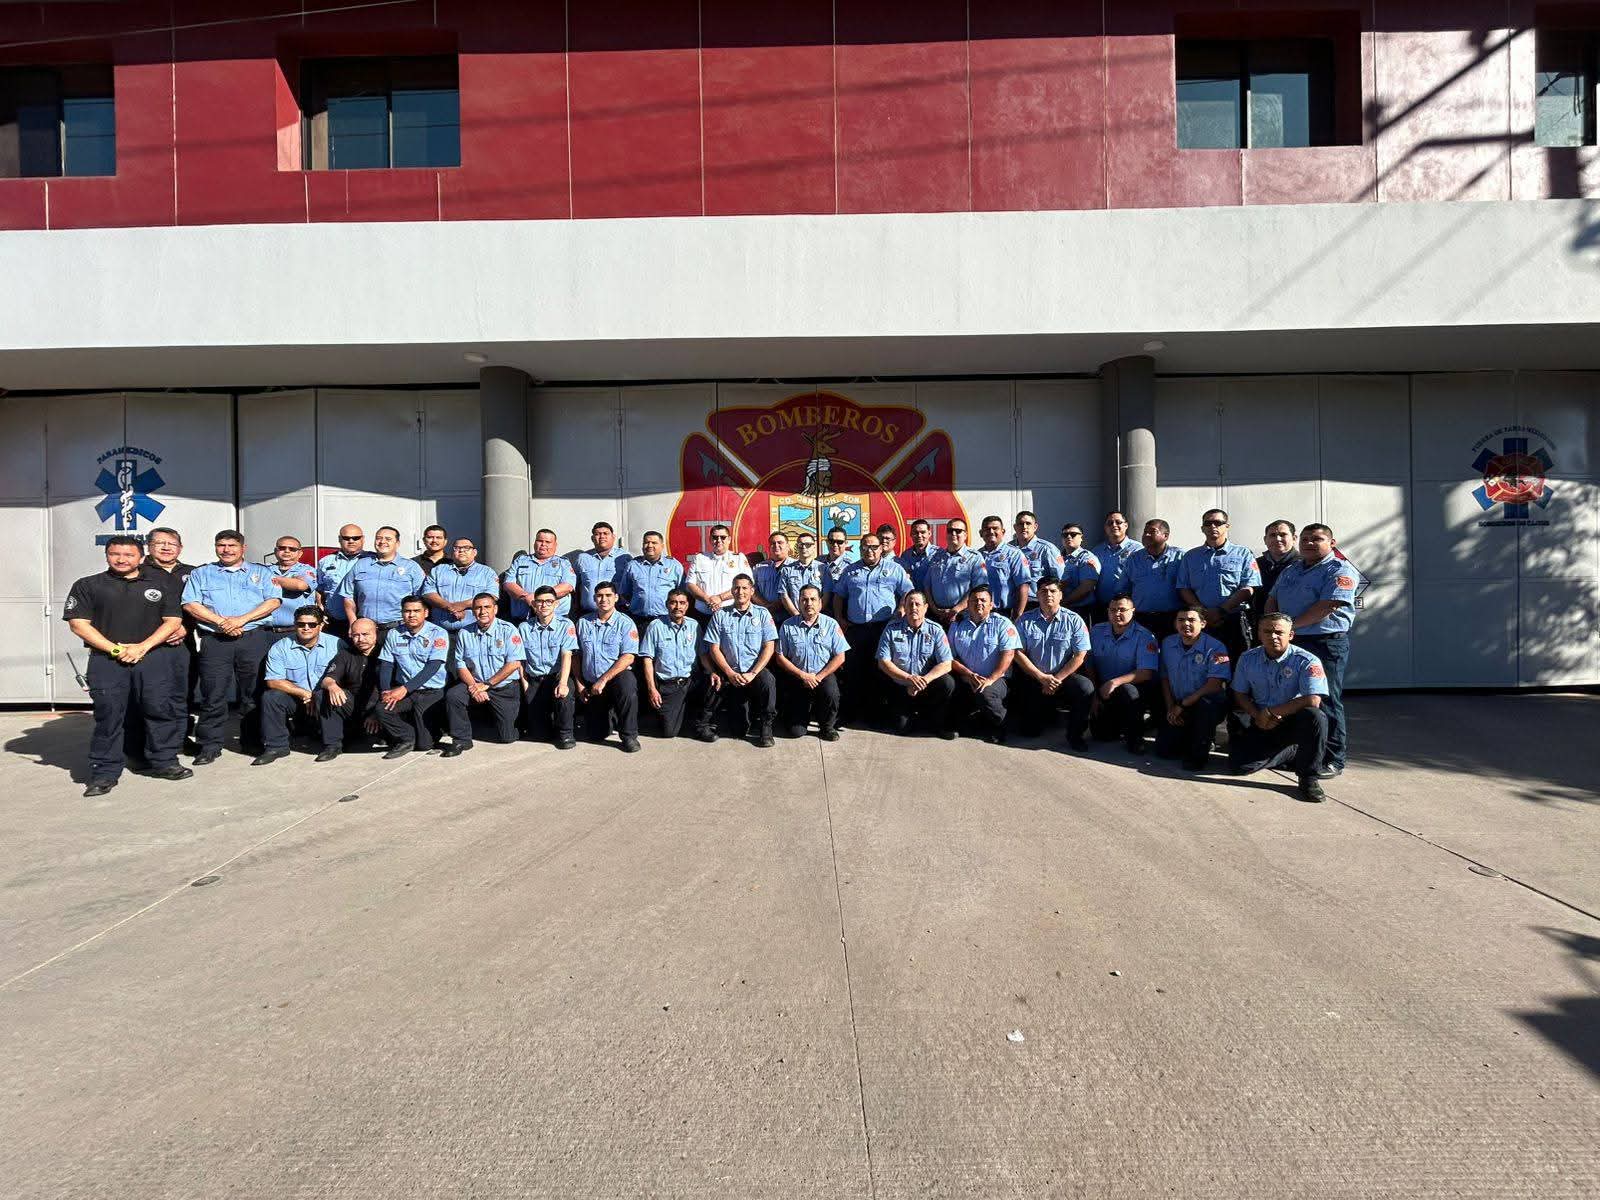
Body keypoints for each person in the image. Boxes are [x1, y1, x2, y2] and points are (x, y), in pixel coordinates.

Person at [63, 536, 192, 796]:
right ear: (107, 555)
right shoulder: (88, 585)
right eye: (115, 554)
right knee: (110, 715)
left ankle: (165, 761)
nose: (121, 560)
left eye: (128, 555)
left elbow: (172, 621)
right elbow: (78, 623)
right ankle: (104, 772)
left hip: (154, 656)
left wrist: (142, 647)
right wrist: (115, 649)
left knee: (159, 709)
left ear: (141, 556)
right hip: (107, 659)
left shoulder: (162, 582)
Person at [1265, 523, 1360, 779]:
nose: (1308, 543)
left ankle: (1333, 759)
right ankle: (1300, 754)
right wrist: (1273, 625)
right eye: (1305, 539)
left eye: (1316, 539)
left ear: (1332, 542)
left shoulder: (1340, 570)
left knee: (1325, 700)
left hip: (1324, 643)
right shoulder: (1292, 569)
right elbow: (1272, 598)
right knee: (1293, 698)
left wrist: (1288, 627)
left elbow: (1327, 606)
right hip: (1293, 643)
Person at [182, 529, 282, 763]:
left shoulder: (262, 572)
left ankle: (252, 741)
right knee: (213, 693)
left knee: (253, 693)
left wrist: (240, 621)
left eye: (232, 545)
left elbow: (273, 601)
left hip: (253, 638)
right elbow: (190, 603)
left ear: (243, 548)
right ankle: (209, 745)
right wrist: (221, 622)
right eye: (221, 545)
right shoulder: (201, 574)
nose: (226, 550)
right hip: (215, 641)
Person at [1229, 613, 1330, 803]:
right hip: (1261, 720)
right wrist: (1257, 715)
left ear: (1290, 635)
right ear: (1259, 634)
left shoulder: (1307, 661)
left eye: (1278, 632)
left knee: (1315, 716)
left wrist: (1272, 712)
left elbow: (1313, 699)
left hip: (1292, 719)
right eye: (1267, 631)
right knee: (1239, 767)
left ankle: (1309, 778)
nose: (1273, 636)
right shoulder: (1248, 658)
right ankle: (1291, 752)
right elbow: (1239, 693)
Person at [124, 526, 195, 764]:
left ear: (180, 548)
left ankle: (179, 740)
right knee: (146, 697)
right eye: (159, 543)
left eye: (171, 544)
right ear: (149, 547)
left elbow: (203, 604)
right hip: (148, 646)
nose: (166, 548)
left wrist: (184, 626)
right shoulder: (137, 572)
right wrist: (163, 632)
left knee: (180, 694)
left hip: (182, 644)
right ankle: (139, 746)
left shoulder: (193, 573)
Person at [832, 532, 912, 721]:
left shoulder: (895, 569)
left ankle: (877, 714)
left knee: (880, 672)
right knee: (854, 671)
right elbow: (838, 595)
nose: (870, 550)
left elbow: (908, 591)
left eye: (874, 547)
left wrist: (901, 608)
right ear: (860, 550)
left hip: (883, 629)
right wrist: (839, 618)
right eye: (865, 547)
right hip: (856, 629)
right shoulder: (850, 571)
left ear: (882, 548)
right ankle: (852, 713)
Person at [698, 574, 779, 746]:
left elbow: (769, 647)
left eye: (744, 588)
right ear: (732, 591)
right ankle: (708, 720)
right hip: (731, 673)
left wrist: (753, 673)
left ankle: (766, 726)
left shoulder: (763, 614)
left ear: (752, 591)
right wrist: (729, 672)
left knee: (768, 680)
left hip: (754, 672)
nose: (740, 591)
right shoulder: (720, 615)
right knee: (738, 730)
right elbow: (713, 648)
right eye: (736, 587)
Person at [1012, 578, 1094, 747]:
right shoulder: (1024, 620)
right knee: (1030, 732)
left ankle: (1075, 735)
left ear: (1061, 595)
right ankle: (1044, 716)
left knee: (1085, 687)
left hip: (1063, 678)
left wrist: (1056, 679)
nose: (1048, 594)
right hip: (1034, 677)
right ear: (1037, 595)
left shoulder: (1074, 620)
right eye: (1043, 591)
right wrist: (1041, 677)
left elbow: (1080, 655)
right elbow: (1017, 652)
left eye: (1052, 591)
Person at [255, 605, 341, 765]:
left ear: (321, 625)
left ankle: (332, 745)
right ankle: (276, 746)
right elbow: (273, 681)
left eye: (312, 624)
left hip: (325, 700)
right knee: (271, 697)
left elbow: (346, 676)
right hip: (299, 700)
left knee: (326, 693)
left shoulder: (337, 645)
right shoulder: (280, 647)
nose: (306, 628)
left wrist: (317, 694)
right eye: (301, 624)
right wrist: (305, 694)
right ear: (295, 625)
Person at [443, 593, 525, 755]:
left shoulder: (508, 630)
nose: (482, 611)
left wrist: (487, 685)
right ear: (472, 611)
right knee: (454, 695)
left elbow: (514, 663)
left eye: (487, 607)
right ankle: (461, 740)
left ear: (495, 609)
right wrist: (474, 686)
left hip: (502, 688)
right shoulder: (465, 633)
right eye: (478, 608)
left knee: (507, 737)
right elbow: (460, 665)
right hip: (475, 683)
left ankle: (514, 723)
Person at [1175, 509, 1260, 660]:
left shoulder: (1243, 553)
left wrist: (1221, 611)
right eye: (1208, 523)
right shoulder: (1191, 556)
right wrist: (1203, 612)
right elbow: (1184, 587)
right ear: (1202, 528)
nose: (1213, 526)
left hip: (1233, 619)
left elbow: (1249, 587)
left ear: (1227, 526)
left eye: (1218, 523)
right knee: (1203, 662)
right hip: (1202, 621)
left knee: (1238, 662)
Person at [1155, 607, 1233, 770]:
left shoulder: (1217, 647)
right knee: (1164, 751)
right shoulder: (1167, 643)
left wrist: (1182, 705)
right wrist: (1170, 708)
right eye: (1181, 620)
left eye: (1191, 620)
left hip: (1204, 704)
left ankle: (1199, 755)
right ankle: (1190, 737)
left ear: (1203, 624)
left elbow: (1215, 684)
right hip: (1178, 704)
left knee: (1207, 705)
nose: (1186, 624)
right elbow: (1165, 677)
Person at [375, 596, 449, 758]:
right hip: (407, 692)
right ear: (402, 613)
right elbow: (387, 664)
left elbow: (433, 666)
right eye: (407, 611)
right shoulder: (394, 634)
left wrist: (403, 689)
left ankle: (424, 736)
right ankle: (406, 739)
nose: (412, 615)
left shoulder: (438, 633)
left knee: (424, 745)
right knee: (383, 708)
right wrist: (386, 691)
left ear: (426, 613)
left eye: (416, 611)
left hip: (432, 692)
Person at [946, 584, 1021, 743]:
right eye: (974, 600)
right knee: (949, 689)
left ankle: (1001, 725)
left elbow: (1008, 655)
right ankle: (976, 721)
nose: (978, 603)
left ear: (991, 605)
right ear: (967, 604)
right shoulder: (956, 624)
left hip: (997, 679)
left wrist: (990, 680)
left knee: (985, 693)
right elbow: (950, 657)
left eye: (983, 600)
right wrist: (968, 674)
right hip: (966, 677)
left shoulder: (1003, 624)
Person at [875, 591, 956, 735]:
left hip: (926, 687)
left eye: (917, 604)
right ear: (904, 608)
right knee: (902, 728)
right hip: (901, 688)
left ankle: (934, 720)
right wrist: (908, 678)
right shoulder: (891, 629)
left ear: (925, 608)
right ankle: (909, 716)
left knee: (947, 682)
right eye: (910, 604)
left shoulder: (935, 630)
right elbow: (883, 662)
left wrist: (924, 681)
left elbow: (946, 663)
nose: (913, 607)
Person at [773, 584, 848, 740]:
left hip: (823, 674)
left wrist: (818, 677)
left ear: (820, 603)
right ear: (799, 603)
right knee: (796, 732)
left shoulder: (831, 624)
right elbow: (780, 657)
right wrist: (802, 675)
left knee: (831, 692)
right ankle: (799, 715)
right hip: (797, 676)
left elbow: (840, 656)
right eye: (804, 600)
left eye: (813, 599)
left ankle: (827, 726)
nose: (809, 603)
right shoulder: (788, 625)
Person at [1086, 595, 1159, 753]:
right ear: (1108, 611)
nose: (1117, 613)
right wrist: (1094, 696)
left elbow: (1146, 673)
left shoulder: (1145, 636)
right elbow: (1088, 664)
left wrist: (1115, 682)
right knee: (1102, 735)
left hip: (1131, 689)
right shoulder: (1096, 632)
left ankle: (1135, 738)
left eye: (1122, 609)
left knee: (1129, 691)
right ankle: (1119, 724)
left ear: (1133, 611)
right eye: (1113, 610)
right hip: (1104, 690)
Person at [575, 581, 641, 751]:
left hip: (615, 680)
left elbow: (628, 657)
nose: (603, 599)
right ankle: (609, 717)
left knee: (627, 686)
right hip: (592, 684)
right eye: (599, 596)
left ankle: (629, 735)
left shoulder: (626, 623)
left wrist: (604, 679)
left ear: (616, 598)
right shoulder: (583, 623)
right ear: (594, 599)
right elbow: (576, 655)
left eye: (608, 595)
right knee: (595, 735)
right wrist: (580, 683)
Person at [517, 585, 577, 749]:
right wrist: (525, 683)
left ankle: (566, 734)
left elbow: (567, 655)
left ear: (556, 604)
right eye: (540, 602)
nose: (544, 605)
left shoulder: (566, 625)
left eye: (549, 601)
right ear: (534, 604)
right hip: (535, 679)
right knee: (539, 735)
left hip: (557, 676)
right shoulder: (524, 628)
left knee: (564, 696)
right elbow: (520, 660)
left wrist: (563, 682)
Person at [338, 526, 427, 634]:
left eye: (388, 539)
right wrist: (353, 622)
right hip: (365, 630)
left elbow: (422, 599)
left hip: (400, 629)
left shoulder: (411, 567)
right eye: (379, 538)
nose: (382, 542)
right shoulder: (360, 565)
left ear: (397, 543)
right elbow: (348, 596)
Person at [316, 617, 383, 759]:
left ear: (375, 633)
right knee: (322, 694)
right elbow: (327, 679)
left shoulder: (386, 653)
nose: (360, 639)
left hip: (380, 708)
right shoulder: (345, 654)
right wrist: (332, 685)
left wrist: (377, 713)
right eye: (356, 635)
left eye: (365, 634)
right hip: (354, 707)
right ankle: (332, 746)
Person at [639, 586, 701, 739]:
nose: (678, 607)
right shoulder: (655, 626)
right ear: (667, 604)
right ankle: (671, 713)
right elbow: (647, 659)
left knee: (714, 682)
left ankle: (702, 723)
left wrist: (712, 672)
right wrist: (652, 689)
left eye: (682, 603)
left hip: (691, 681)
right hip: (668, 685)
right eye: (673, 602)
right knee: (669, 733)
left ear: (687, 605)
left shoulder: (694, 625)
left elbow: (703, 654)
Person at [421, 537, 499, 636]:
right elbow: (427, 593)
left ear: (474, 552)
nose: (461, 550)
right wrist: (450, 607)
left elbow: (492, 596)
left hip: (473, 633)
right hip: (441, 632)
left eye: (466, 548)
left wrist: (462, 605)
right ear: (452, 552)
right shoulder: (438, 570)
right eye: (457, 548)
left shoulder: (487, 572)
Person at [1121, 518, 1184, 638]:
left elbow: (1187, 587)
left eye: (1152, 531)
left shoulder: (1180, 557)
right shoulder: (1134, 559)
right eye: (1145, 532)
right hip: (1142, 618)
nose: (1146, 535)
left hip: (1172, 618)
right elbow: (1123, 589)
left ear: (1165, 536)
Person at [617, 530, 684, 633]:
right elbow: (624, 593)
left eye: (654, 543)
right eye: (646, 542)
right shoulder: (633, 566)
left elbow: (682, 593)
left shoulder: (674, 566)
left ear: (662, 546)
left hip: (666, 620)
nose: (649, 545)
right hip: (639, 620)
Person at [503, 528, 577, 622]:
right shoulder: (520, 561)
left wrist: (540, 597)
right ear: (534, 543)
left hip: (555, 620)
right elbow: (508, 584)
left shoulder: (563, 563)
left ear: (555, 545)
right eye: (540, 541)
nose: (543, 544)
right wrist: (526, 596)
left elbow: (567, 587)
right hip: (522, 619)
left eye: (548, 542)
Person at [925, 518, 986, 626]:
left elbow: (978, 588)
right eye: (950, 531)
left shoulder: (974, 557)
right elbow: (927, 586)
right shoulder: (936, 557)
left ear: (965, 535)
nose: (953, 533)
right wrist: (935, 610)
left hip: (962, 617)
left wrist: (956, 609)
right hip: (936, 616)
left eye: (958, 531)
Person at [685, 524, 752, 617]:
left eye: (723, 537)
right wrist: (708, 600)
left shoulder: (739, 558)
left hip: (730, 613)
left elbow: (748, 584)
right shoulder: (699, 558)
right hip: (702, 613)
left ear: (729, 539)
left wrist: (720, 598)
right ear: (710, 539)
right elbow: (690, 584)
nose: (719, 540)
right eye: (715, 537)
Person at [316, 525, 371, 637]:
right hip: (333, 622)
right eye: (346, 538)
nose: (351, 541)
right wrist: (320, 611)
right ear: (339, 539)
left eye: (356, 538)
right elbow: (319, 589)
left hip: (365, 624)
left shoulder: (372, 560)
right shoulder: (326, 562)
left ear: (363, 539)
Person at [263, 535, 317, 641]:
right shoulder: (265, 569)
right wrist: (288, 581)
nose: (287, 551)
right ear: (275, 551)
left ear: (300, 553)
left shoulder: (306, 570)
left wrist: (267, 579)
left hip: (295, 632)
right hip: (265, 632)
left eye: (292, 549)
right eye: (282, 548)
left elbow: (300, 585)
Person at [1089, 511, 1140, 623]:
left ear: (1126, 525)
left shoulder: (1138, 550)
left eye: (1118, 522)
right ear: (1105, 528)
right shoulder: (1097, 551)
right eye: (1110, 523)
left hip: (1126, 608)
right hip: (1102, 606)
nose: (1114, 525)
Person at [978, 515, 1031, 619]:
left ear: (1003, 532)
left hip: (1005, 613)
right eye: (987, 529)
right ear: (981, 533)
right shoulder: (977, 556)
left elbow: (1023, 586)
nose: (991, 531)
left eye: (995, 528)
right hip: (980, 613)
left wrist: (1017, 616)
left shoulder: (1014, 554)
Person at [574, 521, 631, 616]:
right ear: (592, 538)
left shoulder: (624, 558)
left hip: (616, 614)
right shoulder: (582, 558)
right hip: (587, 615)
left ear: (613, 537)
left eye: (606, 533)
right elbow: (576, 588)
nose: (602, 537)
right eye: (597, 534)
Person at [778, 532, 829, 618]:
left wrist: (814, 614)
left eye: (808, 544)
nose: (804, 547)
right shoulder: (787, 570)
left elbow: (827, 594)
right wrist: (796, 615)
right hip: (794, 618)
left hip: (818, 618)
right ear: (797, 547)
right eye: (800, 545)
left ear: (814, 547)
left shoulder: (823, 569)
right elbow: (784, 595)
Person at [1011, 510, 1063, 594]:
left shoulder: (1047, 549)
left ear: (1035, 527)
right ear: (1015, 527)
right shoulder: (1008, 549)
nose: (1024, 527)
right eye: (1020, 524)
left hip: (1035, 602)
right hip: (1012, 602)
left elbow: (1059, 579)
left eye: (1028, 523)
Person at [1058, 522, 1101, 624]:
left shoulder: (1087, 558)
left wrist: (1063, 602)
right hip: (1061, 610)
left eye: (1073, 534)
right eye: (1065, 535)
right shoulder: (1058, 558)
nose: (1069, 537)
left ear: (1081, 537)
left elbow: (1087, 587)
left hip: (1082, 611)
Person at [752, 531, 792, 612]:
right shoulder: (758, 568)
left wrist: (779, 604)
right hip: (764, 614)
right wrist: (766, 606)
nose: (776, 546)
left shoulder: (796, 567)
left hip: (789, 614)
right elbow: (752, 590)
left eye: (780, 542)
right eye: (773, 543)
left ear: (788, 546)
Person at [1257, 520, 1299, 597]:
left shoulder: (1304, 564)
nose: (1277, 539)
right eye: (1273, 535)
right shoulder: (1256, 564)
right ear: (1265, 540)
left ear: (1294, 538)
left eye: (1283, 535)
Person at [896, 518, 937, 592]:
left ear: (929, 534)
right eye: (916, 532)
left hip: (933, 600)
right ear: (911, 534)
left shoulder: (938, 554)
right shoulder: (906, 556)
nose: (919, 535)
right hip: (913, 600)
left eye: (923, 532)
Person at [822, 526, 854, 590]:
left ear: (846, 543)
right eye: (831, 541)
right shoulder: (818, 562)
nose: (835, 545)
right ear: (827, 542)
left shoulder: (851, 566)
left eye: (839, 542)